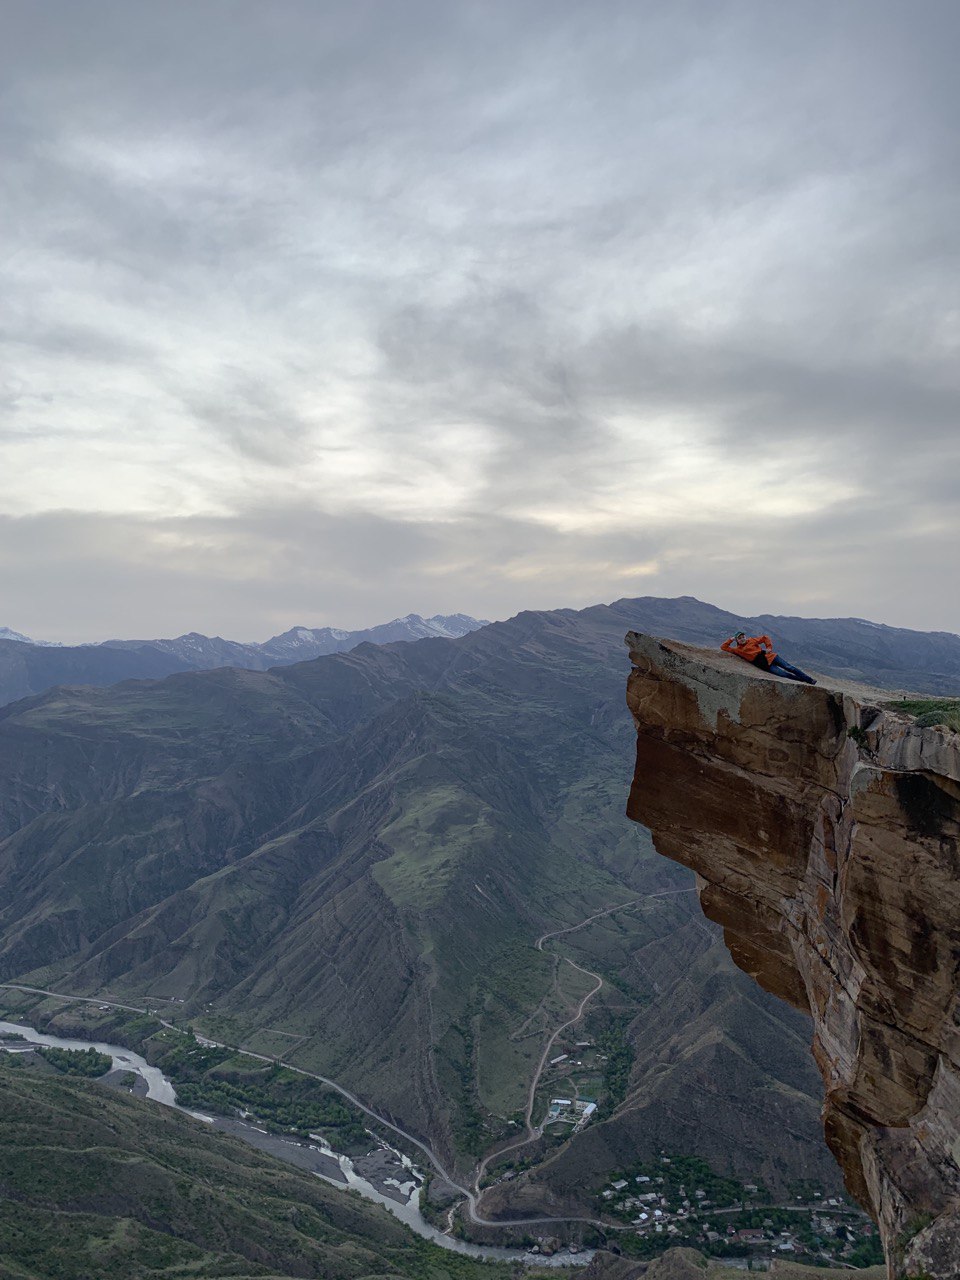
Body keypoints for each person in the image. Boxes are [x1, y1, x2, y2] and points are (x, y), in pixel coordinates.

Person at [721, 631, 816, 684]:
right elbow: (723, 647)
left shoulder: (751, 640)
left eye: (743, 637)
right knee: (784, 675)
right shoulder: (738, 650)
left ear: (746, 637)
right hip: (764, 665)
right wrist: (731, 639)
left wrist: (769, 647)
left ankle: (809, 679)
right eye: (739, 638)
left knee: (789, 667)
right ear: (737, 640)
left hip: (770, 656)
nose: (742, 639)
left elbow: (765, 638)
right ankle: (803, 681)